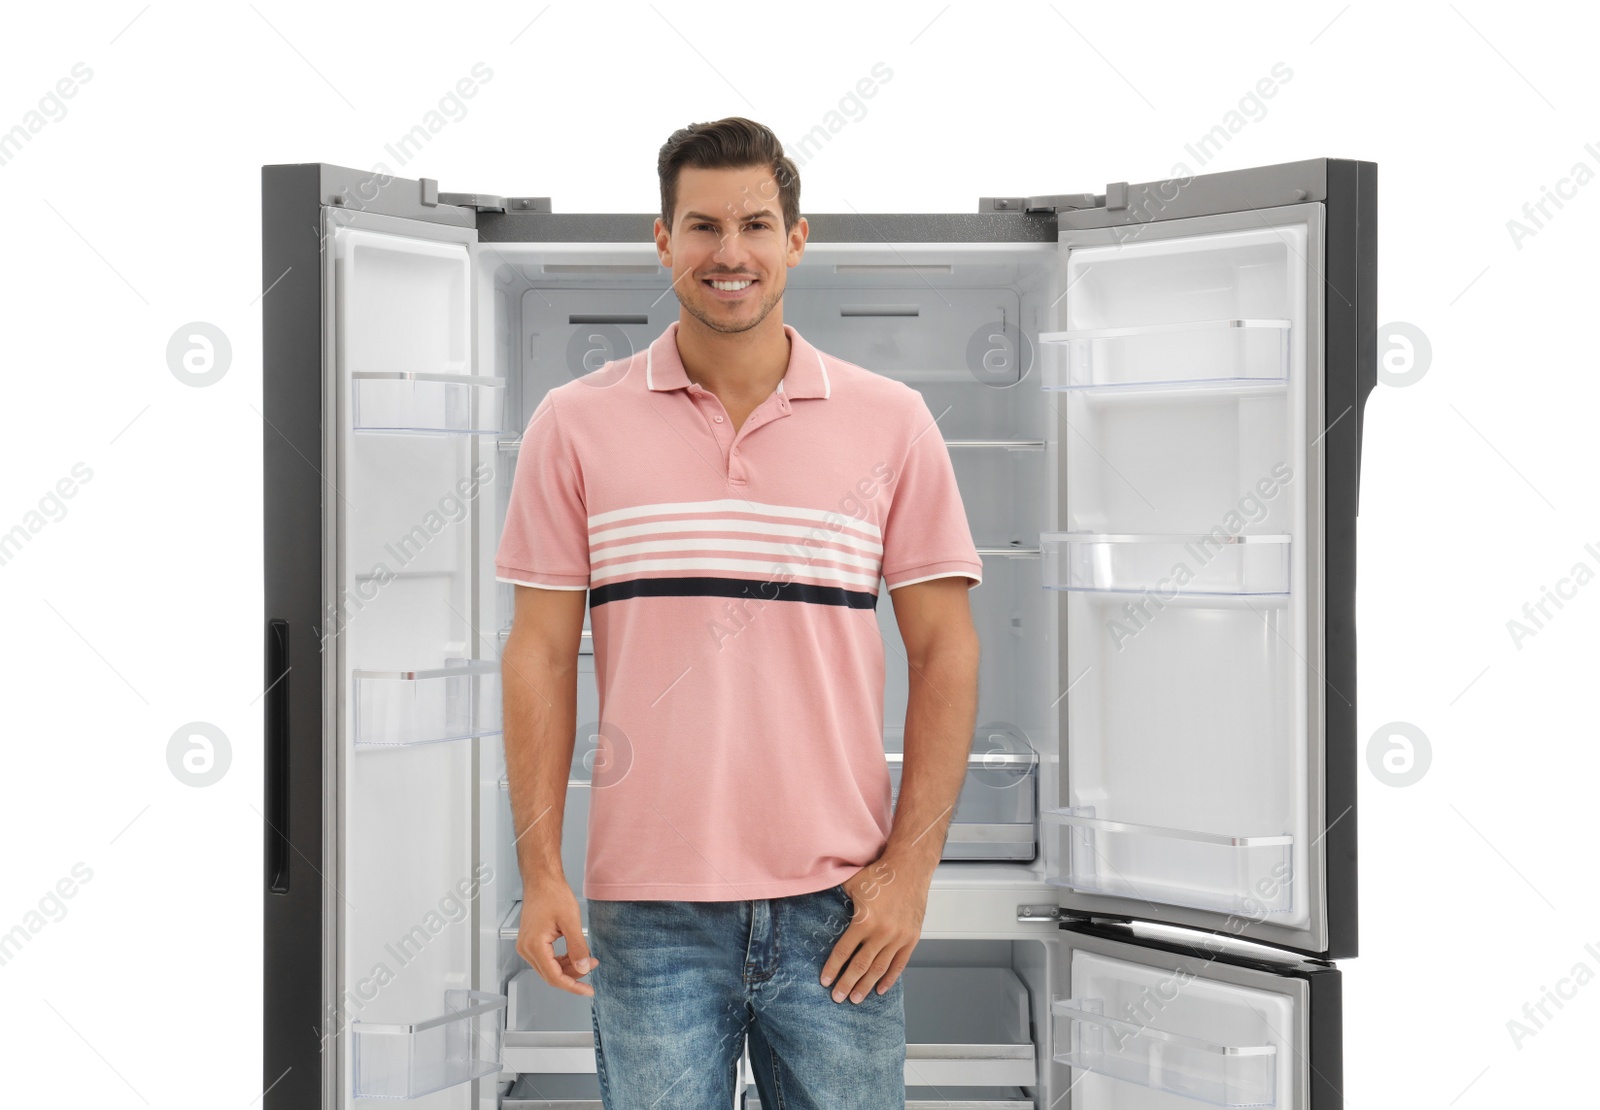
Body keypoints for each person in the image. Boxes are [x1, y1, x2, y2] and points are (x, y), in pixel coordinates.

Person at [496, 115, 983, 1109]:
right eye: (702, 226)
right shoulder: (574, 423)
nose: (730, 253)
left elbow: (947, 651)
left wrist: (910, 871)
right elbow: (538, 657)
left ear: (796, 240)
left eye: (756, 225)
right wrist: (540, 871)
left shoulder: (890, 419)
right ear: (663, 238)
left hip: (838, 905)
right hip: (648, 909)